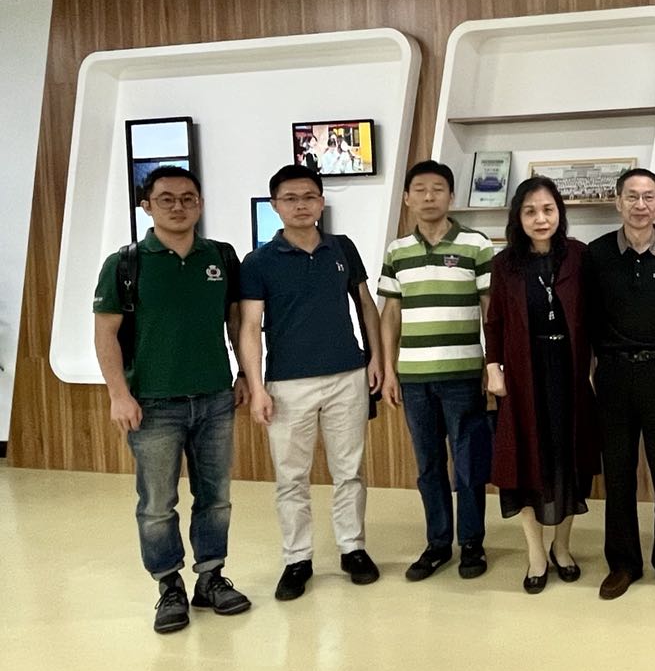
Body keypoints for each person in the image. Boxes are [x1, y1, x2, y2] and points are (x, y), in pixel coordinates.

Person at [92, 165, 252, 634]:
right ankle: (169, 586)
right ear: (147, 206)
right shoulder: (125, 264)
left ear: (199, 204)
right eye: (166, 199)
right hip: (153, 404)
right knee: (157, 503)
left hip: (215, 398)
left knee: (216, 497)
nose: (178, 206)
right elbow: (105, 334)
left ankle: (211, 578)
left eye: (187, 198)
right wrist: (118, 394)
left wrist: (245, 374)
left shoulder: (221, 257)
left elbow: (237, 322)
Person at [238, 165, 383, 601]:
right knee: (291, 477)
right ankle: (297, 559)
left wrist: (375, 357)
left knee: (349, 471)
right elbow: (250, 327)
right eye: (290, 198)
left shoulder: (342, 247)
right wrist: (256, 386)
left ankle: (353, 549)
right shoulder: (258, 262)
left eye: (308, 197)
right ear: (275, 205)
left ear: (321, 202)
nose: (300, 205)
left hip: (347, 375)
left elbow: (365, 305)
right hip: (288, 384)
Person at [583, 168, 655, 600]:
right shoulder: (596, 254)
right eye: (632, 196)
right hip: (613, 375)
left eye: (649, 196)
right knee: (618, 476)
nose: (640, 205)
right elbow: (589, 314)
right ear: (618, 202)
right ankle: (623, 564)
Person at [379, 160, 495, 583]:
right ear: (407, 198)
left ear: (451, 196)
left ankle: (472, 543)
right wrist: (388, 370)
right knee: (428, 465)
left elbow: (490, 309)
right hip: (414, 378)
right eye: (420, 189)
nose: (429, 197)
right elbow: (391, 313)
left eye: (438, 189)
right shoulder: (397, 251)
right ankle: (438, 543)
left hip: (463, 375)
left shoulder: (476, 245)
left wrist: (492, 364)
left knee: (468, 463)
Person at [484, 177, 598, 594]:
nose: (540, 218)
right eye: (530, 211)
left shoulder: (579, 256)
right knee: (526, 463)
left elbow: (596, 314)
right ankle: (535, 553)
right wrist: (493, 367)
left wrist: (596, 366)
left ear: (559, 213)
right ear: (518, 217)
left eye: (548, 209)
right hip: (523, 375)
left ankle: (561, 547)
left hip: (570, 374)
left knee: (568, 460)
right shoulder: (505, 264)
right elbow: (495, 320)